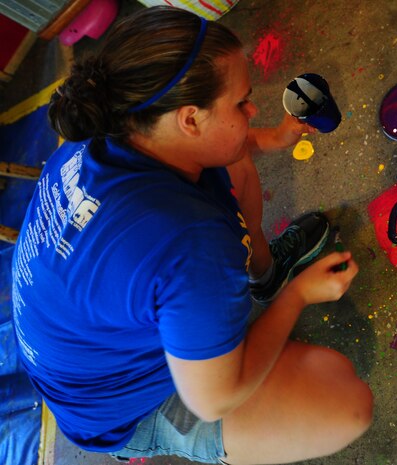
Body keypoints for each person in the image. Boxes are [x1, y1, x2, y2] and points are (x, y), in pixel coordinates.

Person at [11, 6, 373, 465]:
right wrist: (298, 295)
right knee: (345, 399)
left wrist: (276, 138)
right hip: (117, 409)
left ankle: (266, 275)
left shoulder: (103, 133)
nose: (253, 108)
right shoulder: (191, 240)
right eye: (242, 102)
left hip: (85, 349)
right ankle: (149, 439)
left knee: (231, 160)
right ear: (189, 119)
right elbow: (214, 399)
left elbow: (226, 143)